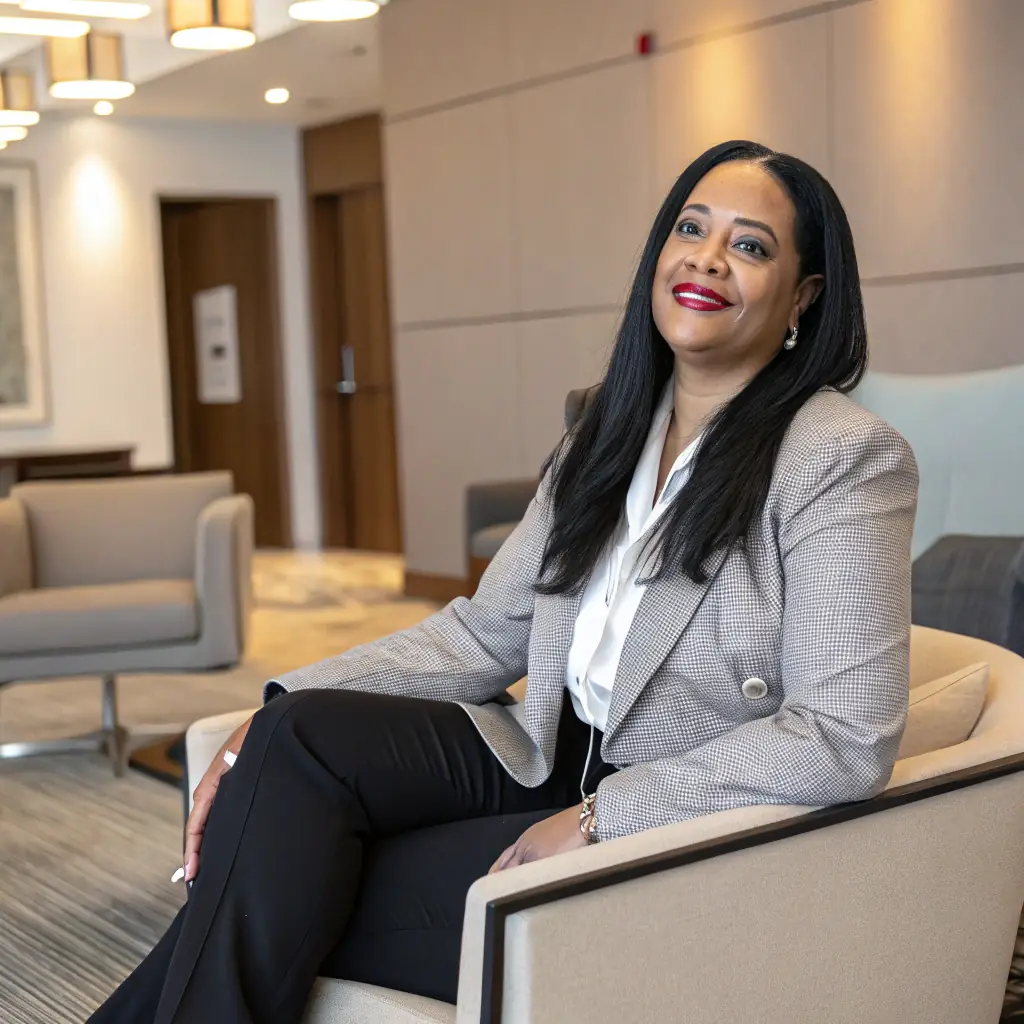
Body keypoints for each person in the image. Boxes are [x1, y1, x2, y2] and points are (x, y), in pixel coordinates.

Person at [89, 139, 918, 1023]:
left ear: (804, 297)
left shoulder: (840, 457)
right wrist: (262, 719)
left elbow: (843, 734)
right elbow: (488, 632)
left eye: (751, 246)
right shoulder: (608, 427)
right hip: (543, 753)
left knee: (283, 873)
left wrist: (606, 816)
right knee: (296, 740)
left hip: (675, 806)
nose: (707, 258)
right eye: (690, 227)